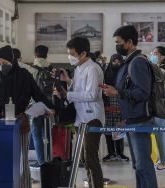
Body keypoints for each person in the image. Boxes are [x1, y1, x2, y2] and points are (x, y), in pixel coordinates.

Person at [0, 45, 54, 188]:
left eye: (5, 63)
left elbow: (37, 94)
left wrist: (50, 107)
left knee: (22, 160)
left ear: (12, 61)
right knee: (1, 157)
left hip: (20, 121)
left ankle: (24, 185)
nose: (2, 67)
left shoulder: (24, 76)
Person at [102, 25, 158, 188]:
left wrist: (118, 92)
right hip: (133, 120)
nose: (117, 45)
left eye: (119, 42)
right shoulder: (130, 62)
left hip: (140, 121)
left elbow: (142, 92)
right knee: (138, 166)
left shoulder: (137, 63)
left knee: (144, 166)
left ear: (129, 42)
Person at [54, 37, 105, 188]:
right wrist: (68, 81)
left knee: (90, 157)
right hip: (80, 117)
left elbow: (92, 95)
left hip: (92, 117)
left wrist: (66, 95)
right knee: (83, 157)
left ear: (83, 53)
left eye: (72, 54)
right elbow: (78, 89)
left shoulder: (93, 69)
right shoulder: (78, 68)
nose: (70, 57)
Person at [29, 45, 53, 169]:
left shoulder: (32, 69)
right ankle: (49, 159)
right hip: (50, 106)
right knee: (47, 134)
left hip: (36, 106)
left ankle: (41, 161)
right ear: (46, 54)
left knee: (36, 133)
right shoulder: (51, 68)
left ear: (35, 54)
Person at [102, 54, 129, 162]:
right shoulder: (106, 74)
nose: (116, 64)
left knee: (119, 127)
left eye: (118, 62)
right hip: (107, 103)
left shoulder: (125, 74)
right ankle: (111, 152)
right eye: (114, 62)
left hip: (120, 101)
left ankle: (120, 152)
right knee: (108, 129)